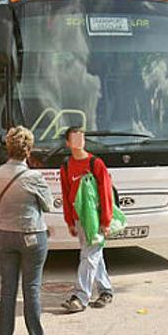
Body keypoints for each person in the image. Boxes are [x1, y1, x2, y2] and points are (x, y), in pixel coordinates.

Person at [0, 126, 54, 335]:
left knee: (7, 290)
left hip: (3, 234)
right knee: (32, 288)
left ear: (8, 147)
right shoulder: (33, 176)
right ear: (29, 150)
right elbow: (48, 204)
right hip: (31, 234)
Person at [59, 126, 115, 313]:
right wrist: (69, 221)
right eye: (74, 138)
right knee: (93, 255)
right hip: (79, 219)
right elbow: (67, 195)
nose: (78, 141)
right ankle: (106, 291)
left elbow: (106, 193)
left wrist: (106, 221)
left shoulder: (96, 164)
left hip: (95, 220)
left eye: (81, 137)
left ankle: (80, 297)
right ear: (68, 143)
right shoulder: (66, 167)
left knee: (89, 256)